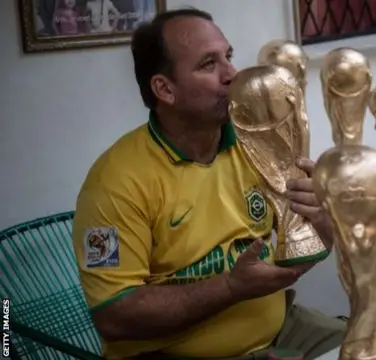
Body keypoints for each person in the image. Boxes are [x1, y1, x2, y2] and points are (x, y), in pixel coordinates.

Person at [71, 7, 346, 360]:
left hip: (280, 328)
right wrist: (230, 287)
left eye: (228, 57)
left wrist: (323, 222)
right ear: (165, 89)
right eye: (208, 64)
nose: (232, 74)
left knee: (372, 344)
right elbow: (115, 316)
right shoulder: (115, 181)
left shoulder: (256, 144)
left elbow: (300, 254)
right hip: (173, 353)